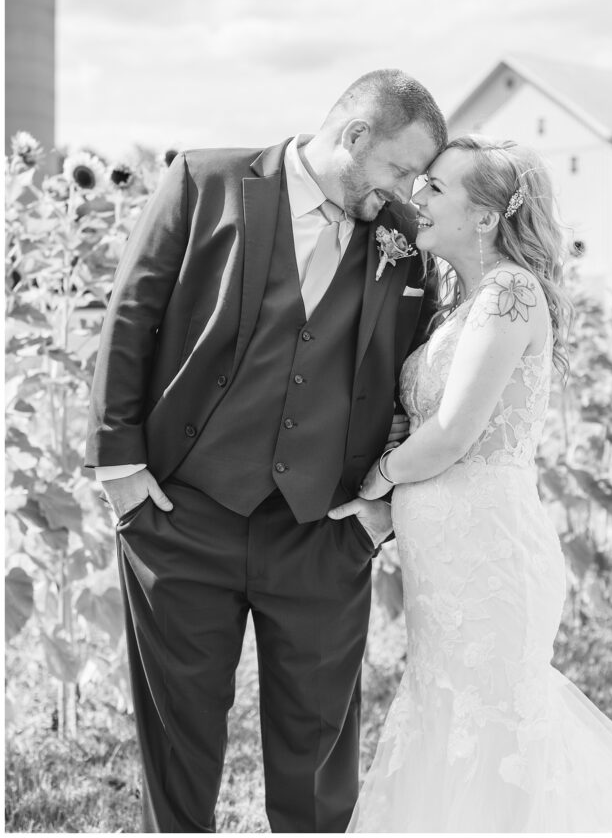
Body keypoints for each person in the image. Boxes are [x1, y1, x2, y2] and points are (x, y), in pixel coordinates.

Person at [84, 69, 447, 833]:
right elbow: (131, 317)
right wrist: (120, 468)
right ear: (353, 137)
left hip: (322, 530)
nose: (409, 190)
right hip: (183, 516)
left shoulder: (407, 244)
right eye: (400, 168)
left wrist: (375, 514)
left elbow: (418, 380)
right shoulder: (206, 181)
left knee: (316, 756)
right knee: (179, 745)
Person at [332, 134, 612, 832]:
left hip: (489, 553)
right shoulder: (457, 303)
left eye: (437, 188)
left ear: (484, 217)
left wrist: (377, 480)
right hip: (443, 559)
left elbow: (452, 434)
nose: (418, 196)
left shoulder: (510, 290)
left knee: (493, 725)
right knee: (445, 713)